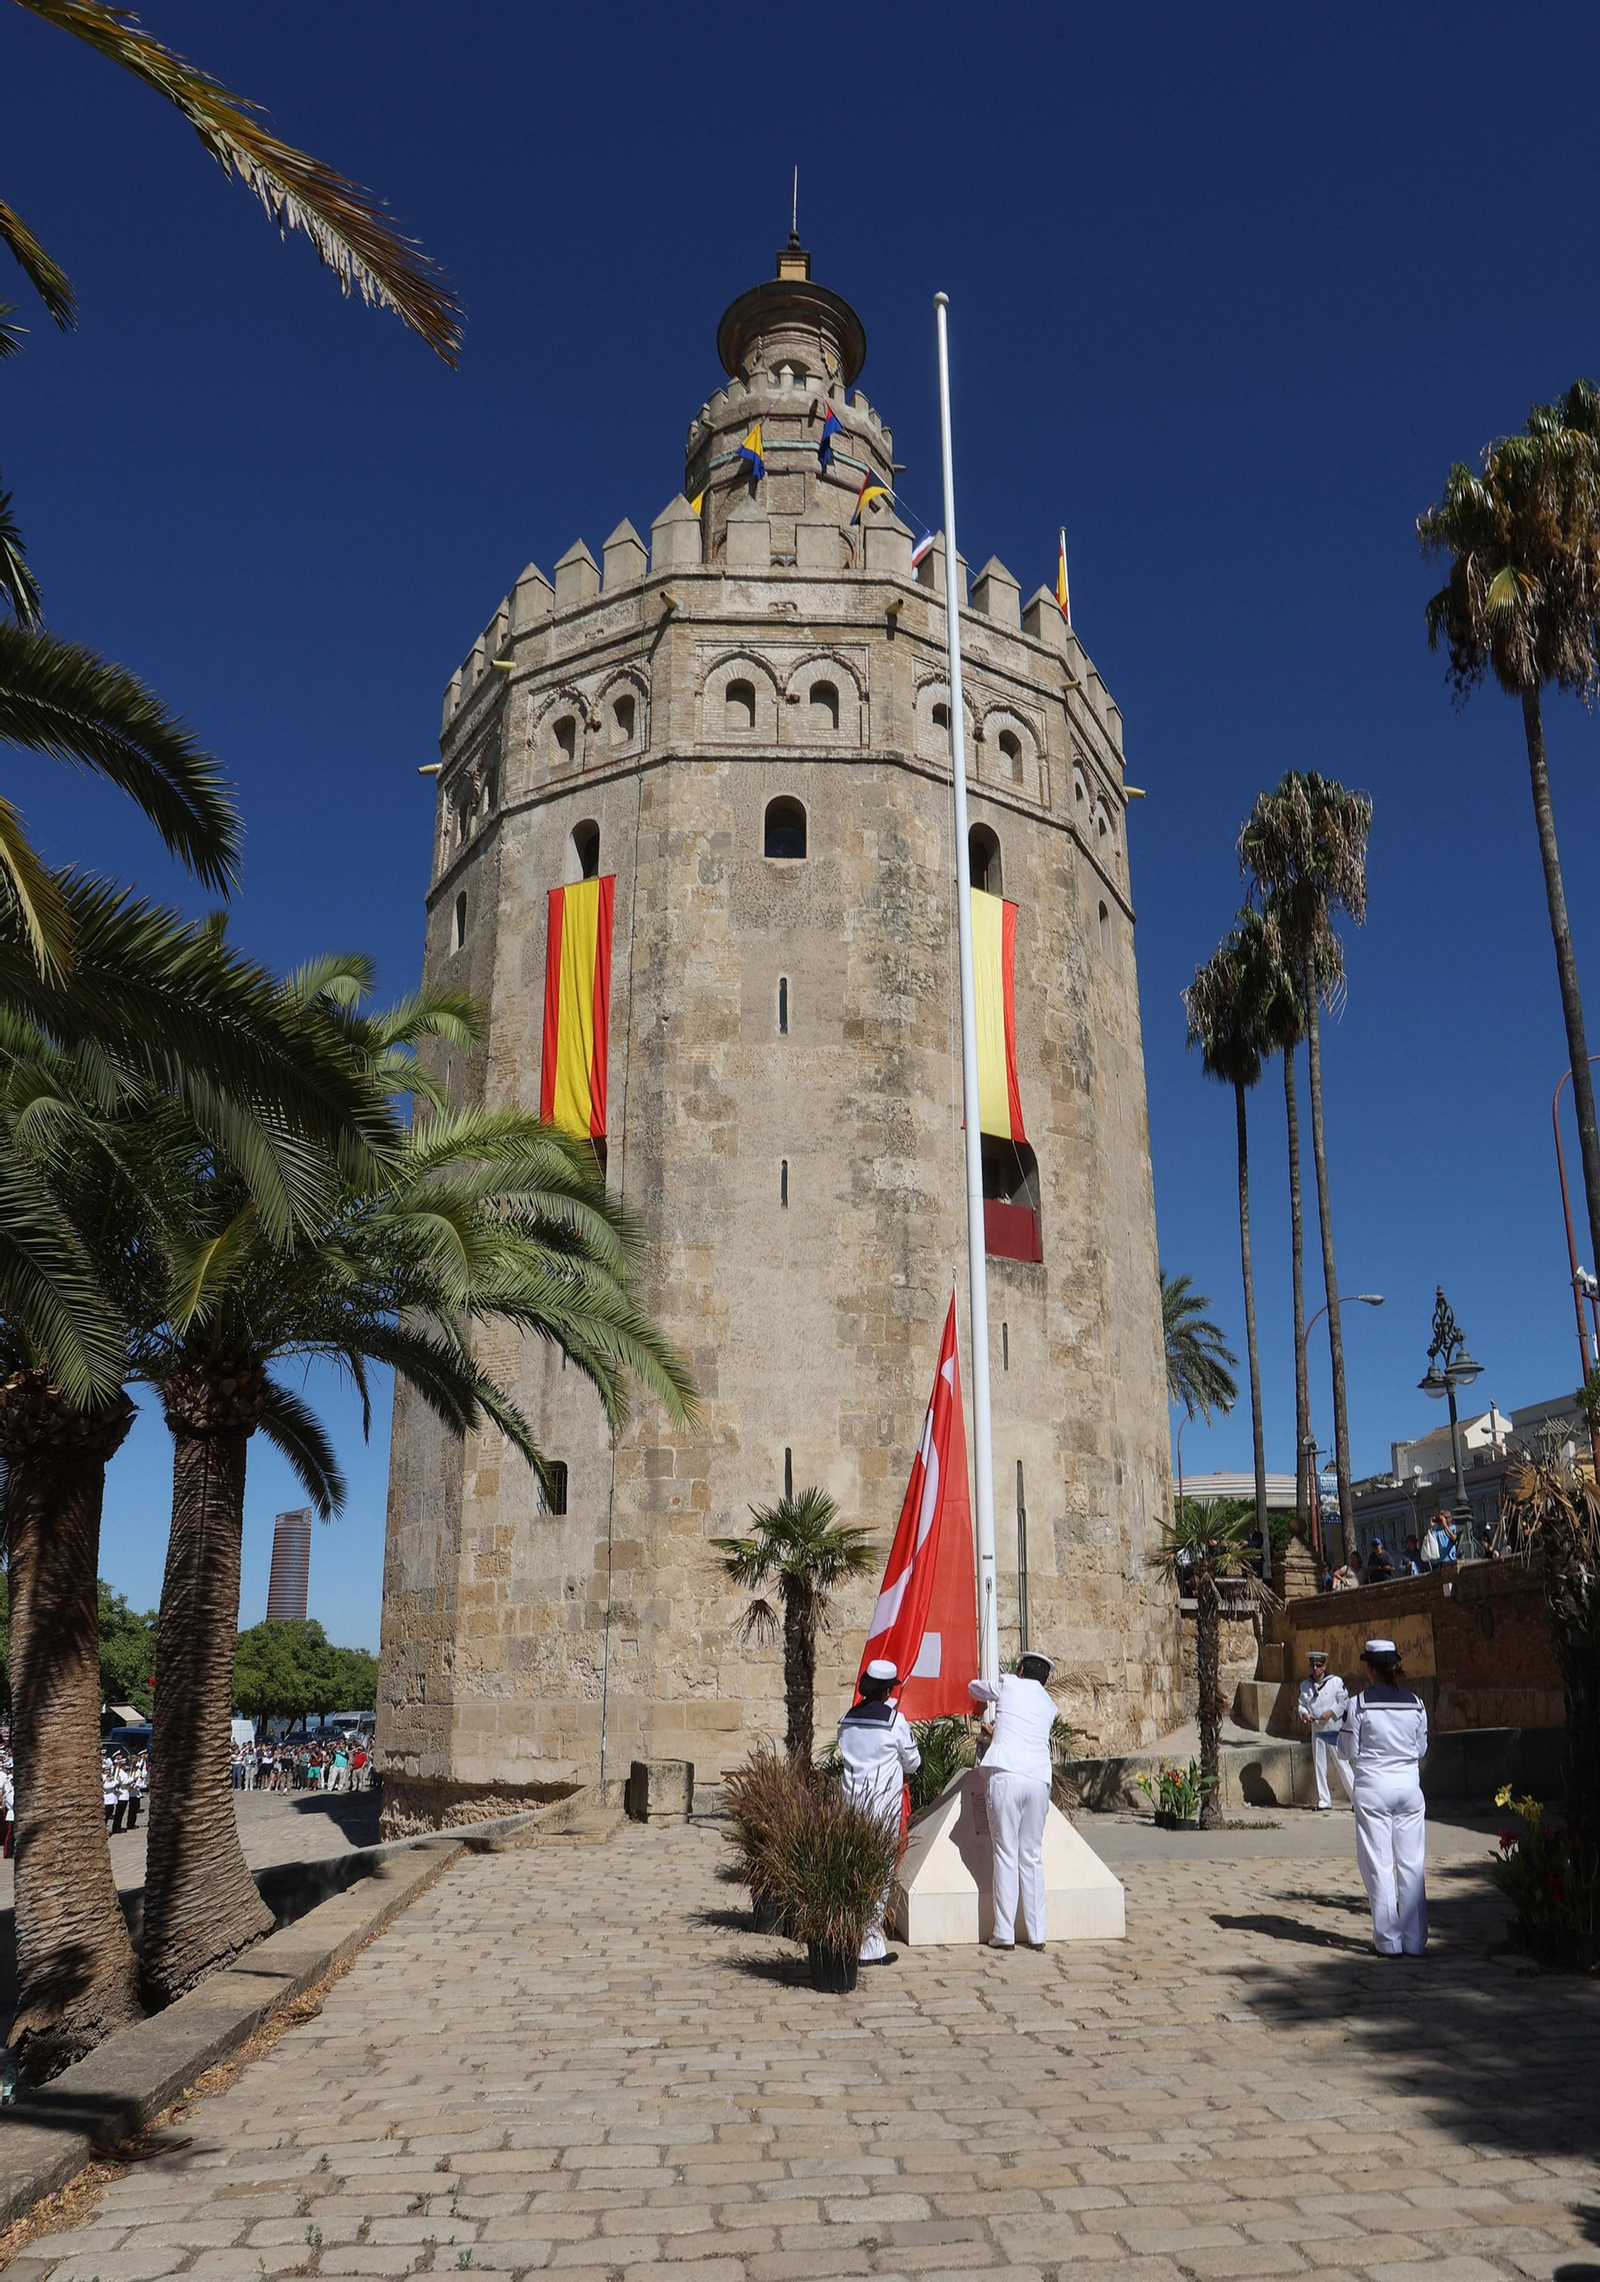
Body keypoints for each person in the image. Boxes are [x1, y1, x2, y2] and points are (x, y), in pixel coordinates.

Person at [1337, 1636, 1428, 1956]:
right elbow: (1421, 1748)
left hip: (1374, 1788)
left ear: (1371, 1669)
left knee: (1379, 1863)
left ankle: (1388, 1940)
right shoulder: (1417, 1704)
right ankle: (1415, 1941)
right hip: (1409, 1788)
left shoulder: (1358, 1704)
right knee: (1412, 1863)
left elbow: (1348, 1750)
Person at [968, 1652, 1058, 1950]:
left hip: (1007, 1773)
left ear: (1020, 1670)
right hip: (1038, 1780)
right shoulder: (1049, 1704)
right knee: (1032, 1856)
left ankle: (1004, 1932)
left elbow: (974, 1687)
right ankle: (1037, 1933)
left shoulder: (1008, 1684)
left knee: (1006, 1852)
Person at [836, 1658, 921, 1967]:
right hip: (882, 1808)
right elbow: (913, 1763)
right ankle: (868, 1944)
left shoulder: (847, 1719)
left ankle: (857, 1939)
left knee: (854, 1872)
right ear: (887, 1691)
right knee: (880, 1876)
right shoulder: (895, 1721)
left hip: (851, 1807)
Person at [1296, 1649, 1354, 1811]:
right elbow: (1301, 1704)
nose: (1315, 1669)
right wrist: (1305, 1714)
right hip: (1317, 1730)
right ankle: (1324, 1800)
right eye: (1313, 1665)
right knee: (1320, 1766)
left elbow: (1344, 1701)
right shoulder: (1305, 1685)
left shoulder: (1335, 1682)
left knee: (1343, 1765)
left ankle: (1357, 1800)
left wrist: (1331, 1712)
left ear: (1324, 1666)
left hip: (1334, 1729)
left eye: (1319, 1665)